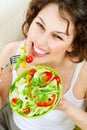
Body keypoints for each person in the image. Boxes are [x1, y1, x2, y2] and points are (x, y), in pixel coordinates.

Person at [0, 0, 87, 130]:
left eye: (57, 36)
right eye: (40, 25)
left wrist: (64, 106)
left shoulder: (82, 72)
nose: (40, 41)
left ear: (73, 45)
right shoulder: (13, 53)